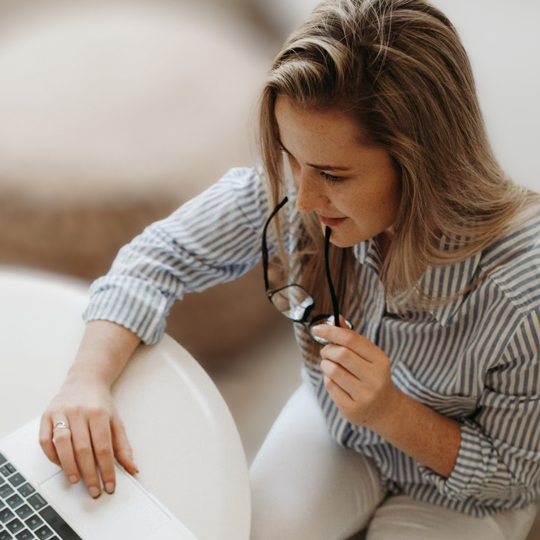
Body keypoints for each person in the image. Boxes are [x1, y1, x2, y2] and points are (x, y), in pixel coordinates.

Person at [40, 0, 540, 538]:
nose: (302, 198)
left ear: (424, 162)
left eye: (333, 173)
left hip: (464, 494)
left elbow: (518, 474)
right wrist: (84, 381)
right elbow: (156, 258)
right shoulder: (293, 194)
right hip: (337, 430)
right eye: (291, 157)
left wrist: (391, 411)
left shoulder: (522, 292)